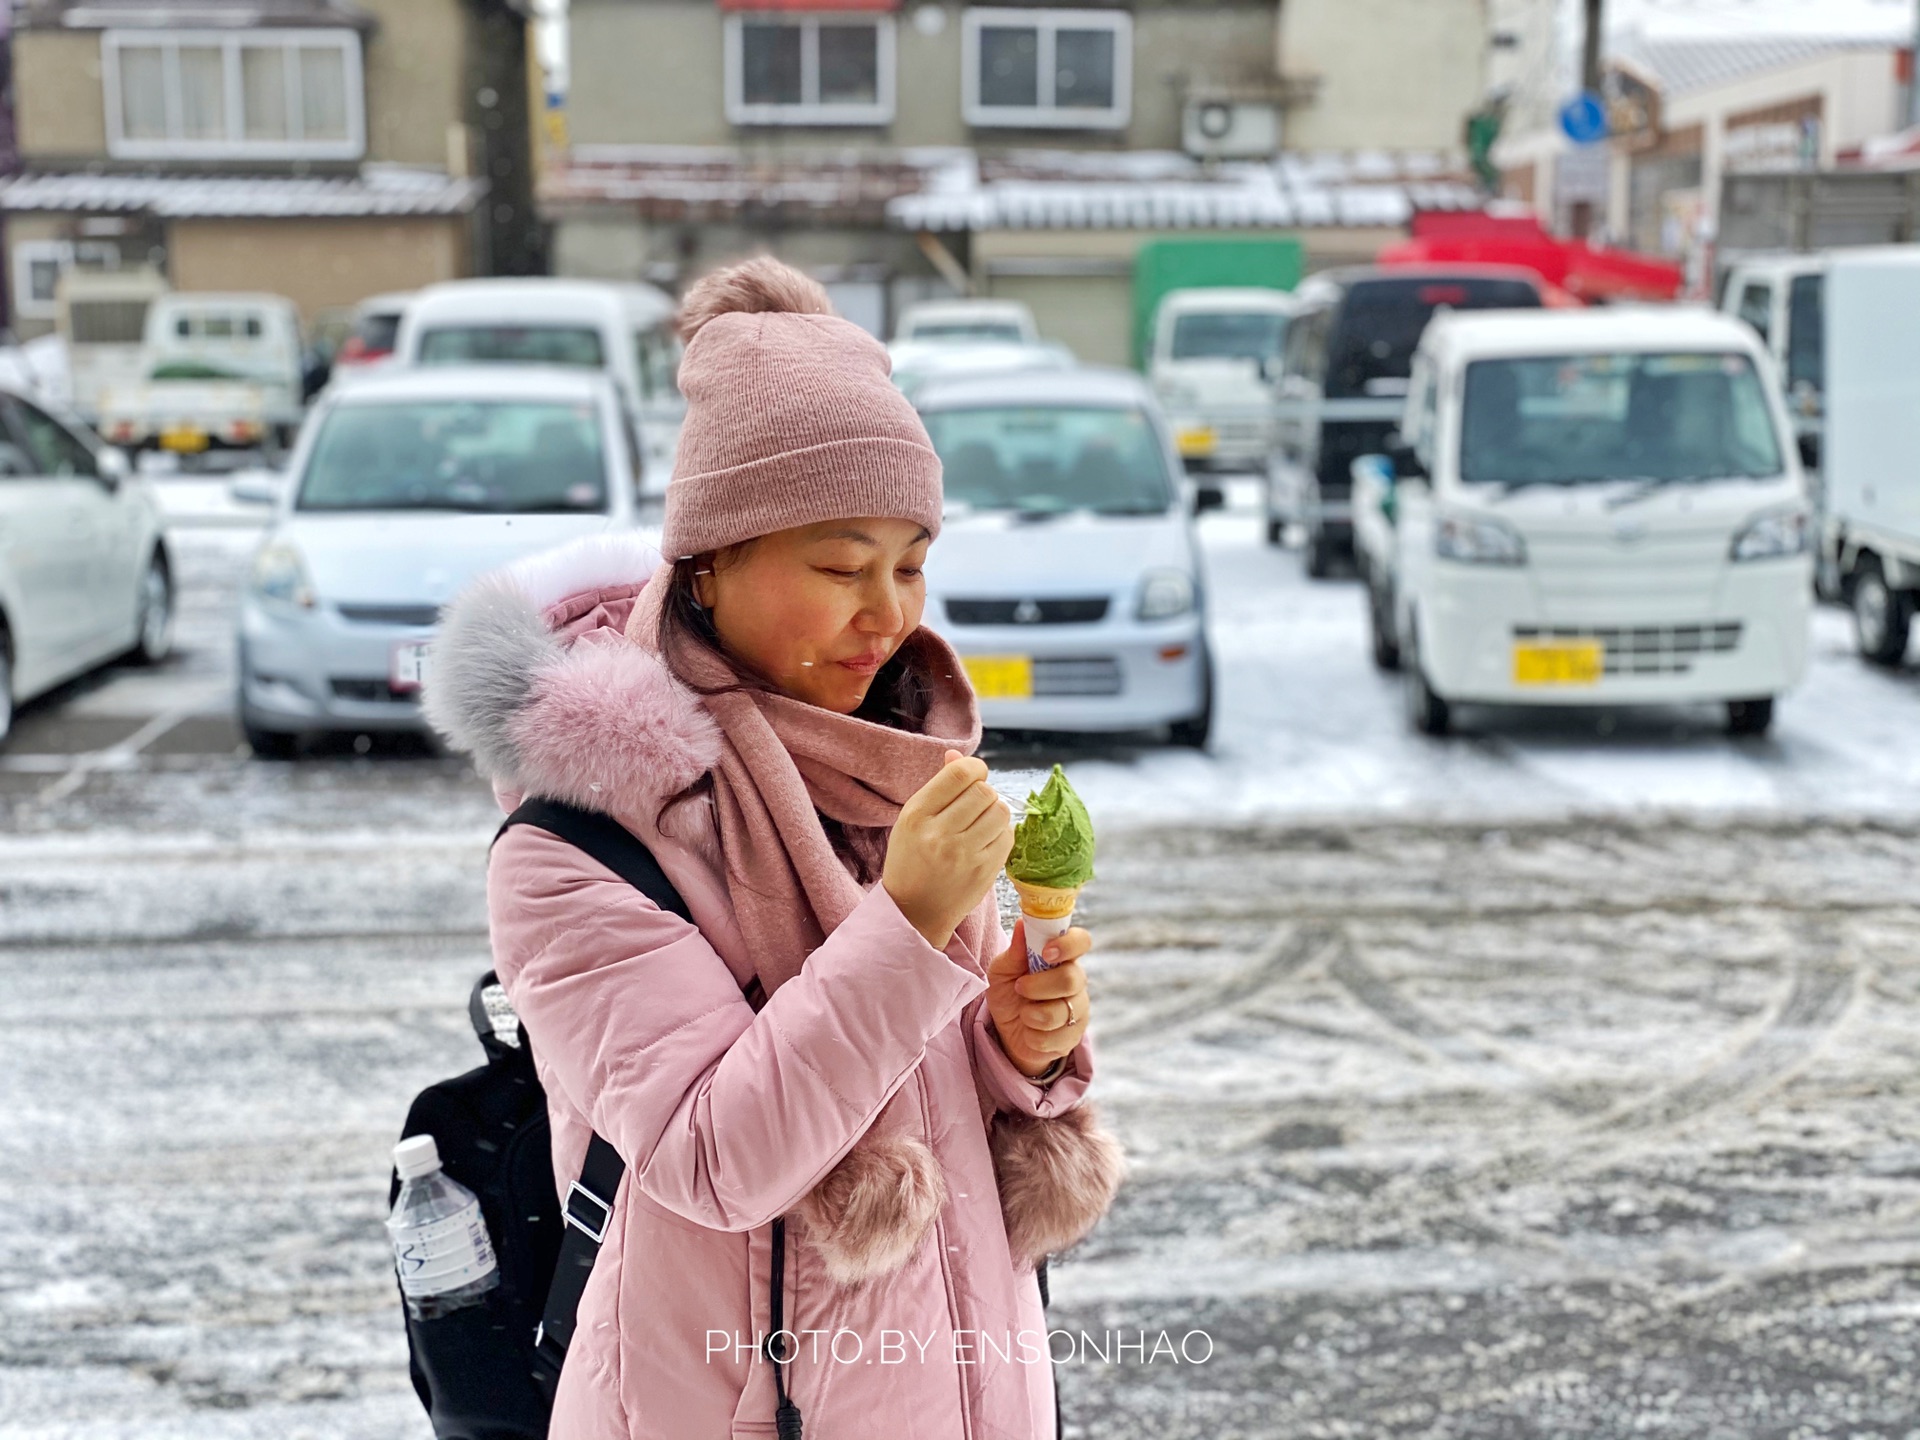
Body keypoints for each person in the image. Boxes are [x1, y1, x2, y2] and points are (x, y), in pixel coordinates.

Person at [423, 256, 1126, 1438]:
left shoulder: (888, 765)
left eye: (910, 566)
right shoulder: (579, 842)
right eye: (842, 567)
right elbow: (718, 1155)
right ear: (710, 561)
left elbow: (924, 1085)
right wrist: (906, 929)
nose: (888, 613)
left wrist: (1016, 1049)